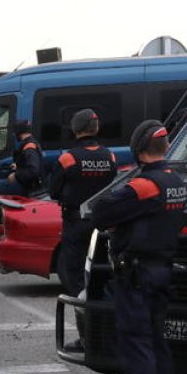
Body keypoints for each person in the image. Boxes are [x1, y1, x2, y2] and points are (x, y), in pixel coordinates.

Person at [90, 120, 186, 374]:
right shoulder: (176, 181)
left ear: (138, 148)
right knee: (158, 345)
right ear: (166, 146)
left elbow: (100, 212)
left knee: (138, 348)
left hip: (137, 276)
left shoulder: (145, 185)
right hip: (160, 271)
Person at [47, 109, 117, 298]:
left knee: (75, 265)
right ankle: (101, 299)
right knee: (102, 262)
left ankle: (82, 300)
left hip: (75, 222)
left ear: (75, 129)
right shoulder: (109, 156)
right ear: (96, 128)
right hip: (102, 221)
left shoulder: (68, 158)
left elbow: (53, 191)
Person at [7, 120, 43, 194]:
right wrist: (18, 166)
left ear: (19, 132)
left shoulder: (29, 147)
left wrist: (16, 175)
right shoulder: (31, 144)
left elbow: (33, 171)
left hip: (31, 190)